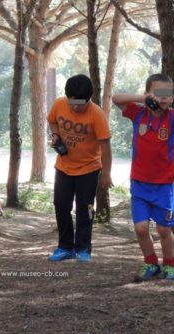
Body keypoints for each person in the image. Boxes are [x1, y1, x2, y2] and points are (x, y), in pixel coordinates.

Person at [112, 68, 174, 281]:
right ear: (149, 94)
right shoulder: (138, 113)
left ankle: (170, 265)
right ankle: (151, 263)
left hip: (163, 187)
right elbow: (115, 99)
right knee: (140, 228)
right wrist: (141, 98)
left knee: (164, 230)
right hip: (139, 184)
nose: (164, 97)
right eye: (159, 93)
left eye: (168, 94)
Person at [47, 74, 113, 263]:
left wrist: (106, 174)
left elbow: (106, 147)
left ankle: (83, 248)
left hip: (89, 169)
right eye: (72, 102)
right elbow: (51, 120)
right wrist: (55, 135)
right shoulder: (59, 104)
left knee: (85, 209)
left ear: (89, 99)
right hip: (64, 167)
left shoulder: (97, 115)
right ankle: (65, 246)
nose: (75, 107)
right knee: (61, 205)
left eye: (80, 104)